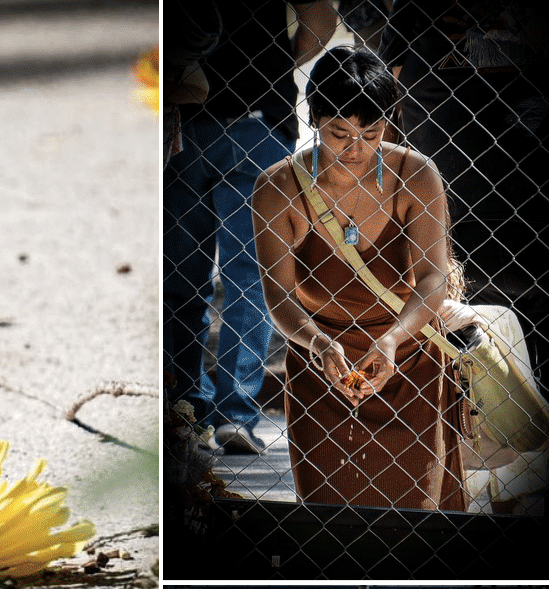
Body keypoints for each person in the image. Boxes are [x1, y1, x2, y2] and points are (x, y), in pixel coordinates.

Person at [251, 45, 468, 510]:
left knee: (419, 512)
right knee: (328, 514)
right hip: (321, 359)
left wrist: (392, 339)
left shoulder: (416, 175)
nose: (356, 150)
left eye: (371, 133)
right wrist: (318, 343)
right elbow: (279, 294)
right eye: (339, 133)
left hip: (409, 354)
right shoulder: (278, 186)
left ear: (390, 122)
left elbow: (432, 278)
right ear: (314, 119)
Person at [164, 2, 339, 454]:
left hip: (184, 116)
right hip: (259, 116)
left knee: (181, 276)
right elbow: (320, 17)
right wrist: (275, 62)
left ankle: (186, 412)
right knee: (252, 275)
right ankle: (235, 416)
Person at [380, 2, 549, 391]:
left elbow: (387, 113)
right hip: (479, 239)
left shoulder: (416, 15)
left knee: (475, 398)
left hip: (451, 241)